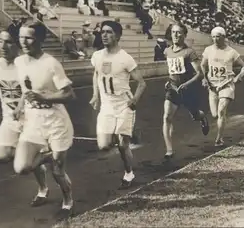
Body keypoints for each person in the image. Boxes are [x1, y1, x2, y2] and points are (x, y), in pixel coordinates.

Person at [0, 31, 48, 207]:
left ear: (18, 45)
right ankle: (42, 157)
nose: (3, 46)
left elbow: (32, 91)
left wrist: (22, 107)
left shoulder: (27, 66)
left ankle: (43, 189)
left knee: (26, 163)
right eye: (0, 41)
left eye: (8, 42)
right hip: (9, 120)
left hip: (30, 119)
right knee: (2, 155)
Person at [13, 22, 76, 219]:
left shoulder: (51, 64)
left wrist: (44, 98)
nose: (24, 41)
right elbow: (26, 89)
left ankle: (68, 201)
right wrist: (19, 106)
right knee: (23, 167)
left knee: (57, 170)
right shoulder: (19, 62)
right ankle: (43, 188)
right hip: (33, 121)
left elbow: (69, 95)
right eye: (22, 36)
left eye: (29, 37)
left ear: (40, 39)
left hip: (55, 122)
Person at [89, 20, 147, 188]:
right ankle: (125, 133)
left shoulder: (125, 58)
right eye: (103, 32)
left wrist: (134, 100)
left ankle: (129, 173)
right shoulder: (97, 56)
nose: (104, 35)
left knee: (122, 145)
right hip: (107, 106)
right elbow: (96, 74)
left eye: (109, 32)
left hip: (124, 105)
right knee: (104, 145)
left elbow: (142, 83)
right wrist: (95, 95)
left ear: (118, 36)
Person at [162, 22, 209, 159]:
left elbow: (199, 74)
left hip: (188, 89)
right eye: (173, 32)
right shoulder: (167, 51)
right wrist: (169, 81)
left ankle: (202, 118)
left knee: (195, 115)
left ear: (184, 35)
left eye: (179, 32)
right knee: (167, 117)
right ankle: (169, 150)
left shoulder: (189, 52)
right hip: (173, 89)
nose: (176, 35)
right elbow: (172, 70)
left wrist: (187, 84)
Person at [201, 27, 244, 147]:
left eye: (218, 36)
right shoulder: (208, 50)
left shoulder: (231, 52)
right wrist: (204, 78)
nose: (215, 39)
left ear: (223, 37)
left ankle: (219, 138)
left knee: (221, 111)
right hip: (212, 86)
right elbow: (202, 65)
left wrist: (239, 76)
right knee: (215, 115)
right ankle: (205, 118)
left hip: (227, 84)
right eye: (213, 37)